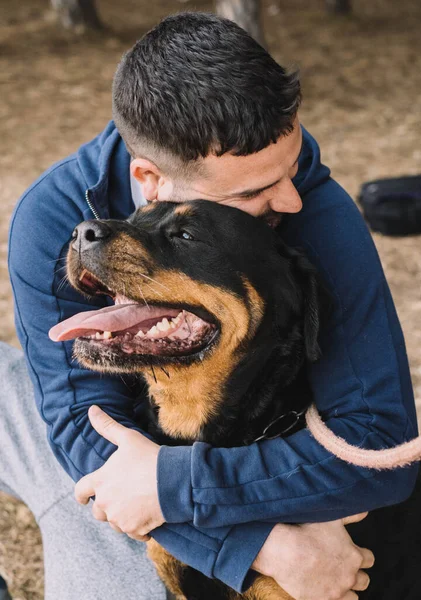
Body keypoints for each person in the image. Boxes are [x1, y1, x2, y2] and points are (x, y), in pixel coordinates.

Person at [5, 11, 418, 600]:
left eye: (294, 164)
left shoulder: (308, 206)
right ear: (151, 181)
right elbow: (83, 431)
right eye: (252, 193)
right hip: (116, 476)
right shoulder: (54, 215)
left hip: (221, 457)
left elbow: (379, 442)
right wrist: (259, 546)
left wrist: (181, 484)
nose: (292, 200)